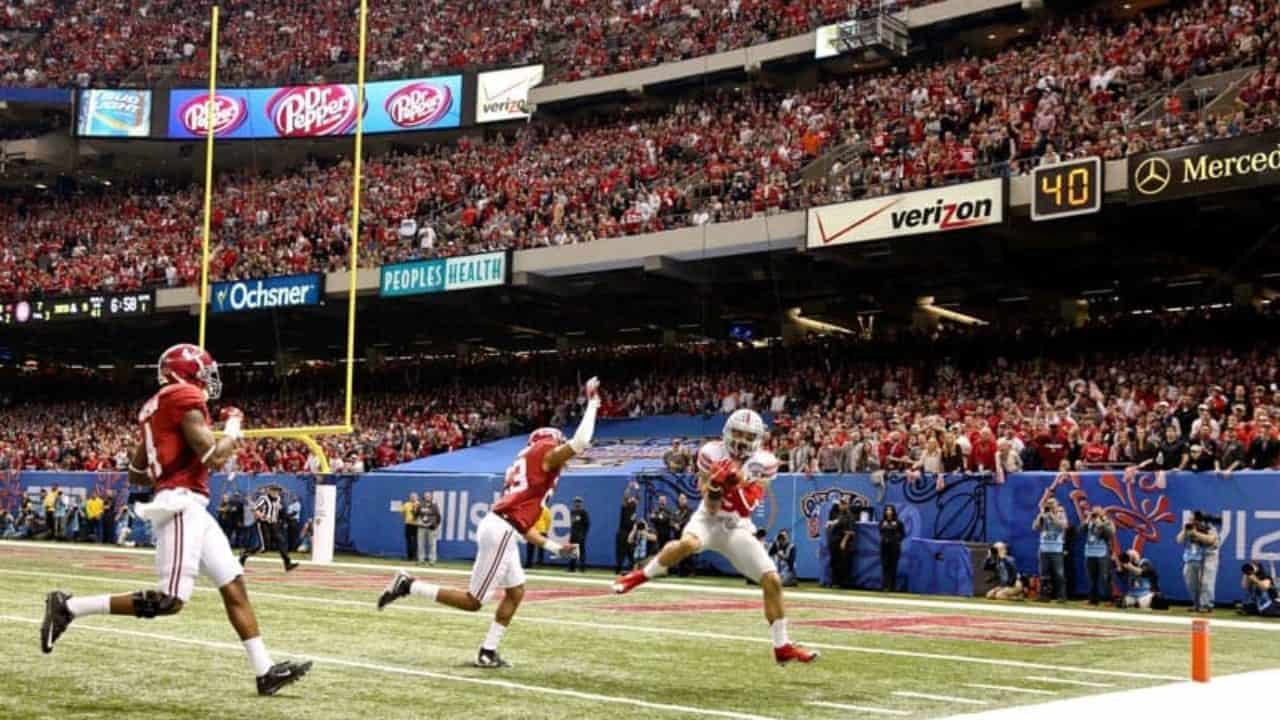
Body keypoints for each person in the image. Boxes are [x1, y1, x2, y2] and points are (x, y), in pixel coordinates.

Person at [39, 343, 311, 695]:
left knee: (234, 585)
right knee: (169, 601)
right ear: (185, 372)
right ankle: (69, 606)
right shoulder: (182, 395)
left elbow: (137, 474)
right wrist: (233, 428)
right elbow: (213, 457)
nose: (208, 380)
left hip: (190, 504)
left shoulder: (156, 405)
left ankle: (265, 670)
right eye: (204, 372)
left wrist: (169, 459)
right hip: (181, 505)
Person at [377, 377, 600, 669]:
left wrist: (556, 548)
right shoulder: (543, 455)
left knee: (516, 591)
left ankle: (488, 651)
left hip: (505, 528)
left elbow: (525, 528)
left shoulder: (528, 472)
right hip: (501, 531)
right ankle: (410, 585)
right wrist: (593, 403)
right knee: (474, 601)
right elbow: (581, 441)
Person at [612, 409, 819, 665]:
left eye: (748, 436)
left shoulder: (764, 462)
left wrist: (736, 483)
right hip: (708, 519)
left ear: (757, 439)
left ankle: (782, 646)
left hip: (737, 525)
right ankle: (641, 575)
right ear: (727, 433)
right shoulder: (711, 453)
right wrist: (716, 485)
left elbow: (747, 507)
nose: (742, 440)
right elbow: (710, 506)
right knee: (688, 543)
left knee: (773, 580)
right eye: (738, 434)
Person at [241, 485, 298, 572]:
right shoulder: (263, 498)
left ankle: (287, 563)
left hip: (274, 524)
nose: (276, 493)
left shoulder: (278, 498)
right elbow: (255, 509)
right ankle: (244, 555)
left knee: (281, 542)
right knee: (264, 548)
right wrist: (262, 516)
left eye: (278, 491)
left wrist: (284, 516)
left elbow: (278, 509)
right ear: (269, 491)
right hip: (264, 524)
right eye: (274, 491)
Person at [1177, 511, 1220, 613]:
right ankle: (1196, 604)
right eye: (1190, 519)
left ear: (1198, 520)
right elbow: (1179, 540)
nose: (1191, 521)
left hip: (1208, 557)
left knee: (1206, 582)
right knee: (1191, 582)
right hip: (1192, 558)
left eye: (1192, 519)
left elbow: (1211, 540)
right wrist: (1184, 530)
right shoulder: (1188, 528)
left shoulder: (1209, 527)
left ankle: (1206, 604)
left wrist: (1196, 533)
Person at [1032, 497, 1068, 602]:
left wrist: (1052, 516)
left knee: (1059, 574)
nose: (1050, 505)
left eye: (1052, 503)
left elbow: (1063, 526)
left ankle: (1061, 596)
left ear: (1057, 505)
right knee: (1043, 574)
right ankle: (1044, 596)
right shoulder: (1043, 515)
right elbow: (1035, 527)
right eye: (1049, 503)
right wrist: (1040, 516)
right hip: (1044, 549)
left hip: (1056, 549)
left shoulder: (1061, 514)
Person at [1082, 507, 1115, 606]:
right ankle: (1093, 599)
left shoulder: (1107, 522)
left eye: (1097, 513)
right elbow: (1080, 530)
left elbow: (1110, 534)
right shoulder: (1089, 522)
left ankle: (1109, 600)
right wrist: (1087, 520)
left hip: (1102, 553)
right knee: (1092, 578)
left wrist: (1101, 524)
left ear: (1102, 513)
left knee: (1105, 577)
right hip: (1090, 553)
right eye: (1094, 513)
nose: (1094, 515)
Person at [826, 496, 856, 589]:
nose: (841, 505)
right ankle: (834, 581)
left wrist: (843, 542)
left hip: (841, 541)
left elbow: (850, 531)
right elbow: (832, 525)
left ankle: (842, 583)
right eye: (840, 503)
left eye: (843, 503)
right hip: (834, 540)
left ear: (847, 505)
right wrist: (830, 526)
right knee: (834, 562)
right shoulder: (837, 514)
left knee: (842, 563)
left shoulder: (850, 516)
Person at [614, 484, 639, 574]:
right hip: (622, 532)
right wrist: (629, 487)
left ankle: (631, 570)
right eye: (631, 500)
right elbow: (625, 497)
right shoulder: (625, 507)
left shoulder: (634, 509)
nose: (633, 501)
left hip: (630, 533)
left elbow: (638, 499)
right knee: (620, 553)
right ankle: (618, 569)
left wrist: (637, 489)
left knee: (631, 552)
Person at [879, 504, 904, 592]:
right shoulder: (882, 522)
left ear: (893, 512)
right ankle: (884, 586)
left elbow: (902, 534)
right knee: (885, 566)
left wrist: (896, 538)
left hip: (894, 547)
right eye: (887, 510)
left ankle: (891, 587)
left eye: (890, 510)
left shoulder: (898, 523)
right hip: (884, 547)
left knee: (893, 567)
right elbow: (880, 532)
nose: (888, 512)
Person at [417, 492, 441, 565]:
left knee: (432, 544)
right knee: (421, 543)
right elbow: (416, 514)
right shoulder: (420, 505)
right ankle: (421, 560)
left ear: (431, 497)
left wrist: (436, 525)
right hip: (422, 526)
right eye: (426, 496)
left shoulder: (434, 505)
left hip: (431, 527)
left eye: (428, 496)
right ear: (424, 497)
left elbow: (438, 516)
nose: (427, 497)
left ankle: (432, 560)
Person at [567, 497, 590, 572]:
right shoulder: (572, 512)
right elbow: (572, 524)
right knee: (573, 552)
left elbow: (587, 524)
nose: (577, 503)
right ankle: (572, 568)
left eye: (579, 502)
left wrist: (583, 535)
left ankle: (582, 568)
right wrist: (571, 534)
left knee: (581, 552)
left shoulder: (584, 512)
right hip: (573, 535)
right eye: (576, 502)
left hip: (580, 535)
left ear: (581, 503)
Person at [401, 492, 419, 561]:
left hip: (416, 525)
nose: (413, 498)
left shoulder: (419, 504)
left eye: (414, 497)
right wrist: (407, 519)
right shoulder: (406, 504)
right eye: (411, 497)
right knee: (408, 541)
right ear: (409, 498)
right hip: (408, 524)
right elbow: (403, 513)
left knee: (416, 541)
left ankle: (415, 556)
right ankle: (409, 557)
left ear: (417, 497)